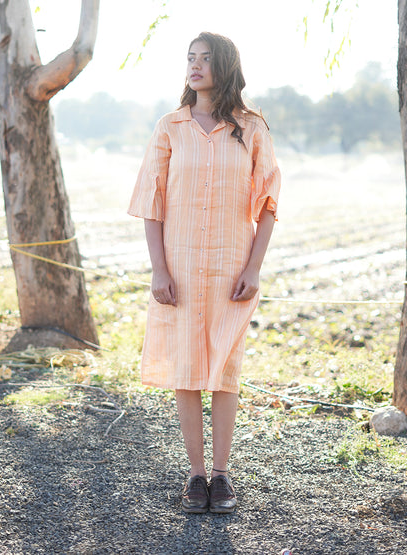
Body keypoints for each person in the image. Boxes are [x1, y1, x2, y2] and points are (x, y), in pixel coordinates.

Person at [128, 31, 281, 514]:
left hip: (232, 268)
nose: (195, 66)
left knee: (225, 371)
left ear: (226, 65)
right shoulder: (170, 126)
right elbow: (152, 203)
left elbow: (269, 204)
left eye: (205, 58)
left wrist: (254, 268)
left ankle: (222, 474)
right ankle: (195, 475)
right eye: (189, 58)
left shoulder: (252, 127)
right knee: (188, 367)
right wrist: (159, 270)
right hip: (181, 267)